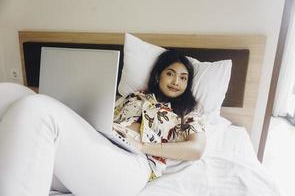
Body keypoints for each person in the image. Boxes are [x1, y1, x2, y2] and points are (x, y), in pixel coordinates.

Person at [0, 50, 206, 196]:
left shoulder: (185, 111)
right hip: (97, 145)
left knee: (36, 108)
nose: (176, 81)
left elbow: (196, 149)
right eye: (170, 73)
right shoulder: (134, 96)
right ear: (158, 75)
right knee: (11, 93)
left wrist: (143, 146)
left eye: (183, 77)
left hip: (132, 162)